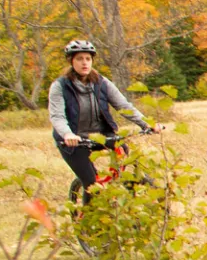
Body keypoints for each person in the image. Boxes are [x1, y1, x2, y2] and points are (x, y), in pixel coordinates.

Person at [48, 40, 163, 202]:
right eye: (79, 58)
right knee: (91, 184)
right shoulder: (60, 86)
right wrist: (67, 134)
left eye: (88, 58)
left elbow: (123, 106)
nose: (84, 62)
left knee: (124, 155)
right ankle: (86, 225)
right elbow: (57, 116)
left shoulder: (102, 83)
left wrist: (147, 123)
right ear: (71, 61)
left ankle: (121, 199)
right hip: (74, 141)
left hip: (101, 135)